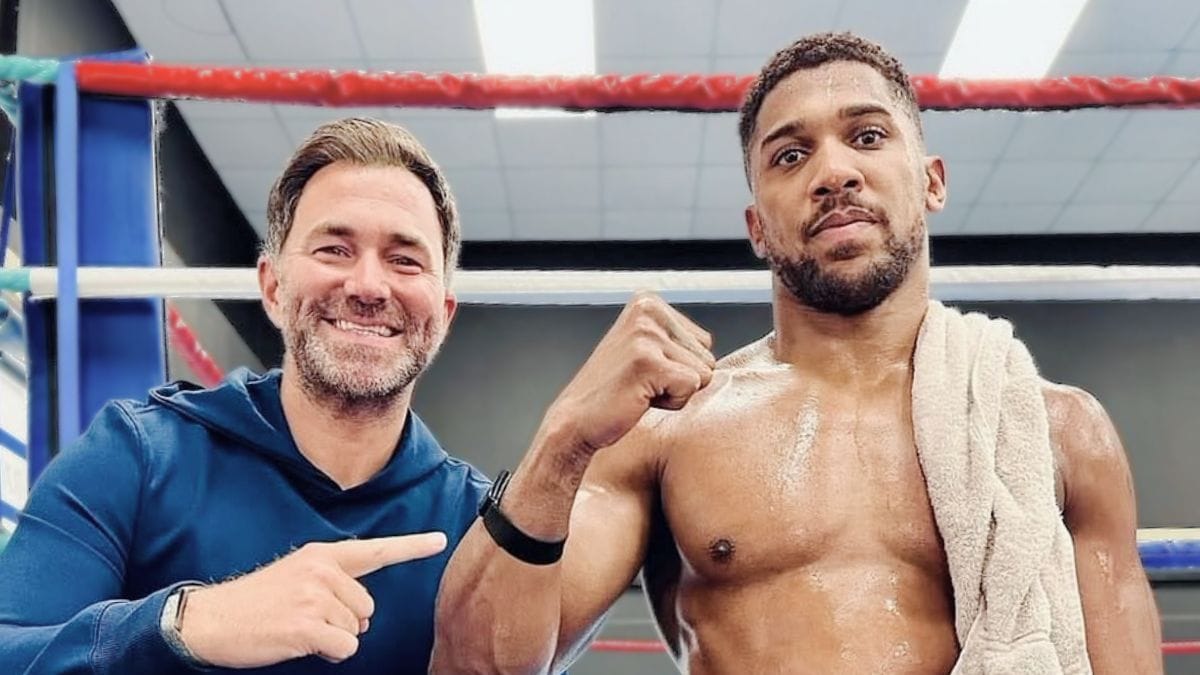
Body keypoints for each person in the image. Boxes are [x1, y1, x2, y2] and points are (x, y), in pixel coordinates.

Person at [432, 32, 1162, 674]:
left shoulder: (1058, 433)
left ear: (932, 181)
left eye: (869, 137)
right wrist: (563, 441)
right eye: (790, 154)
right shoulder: (669, 432)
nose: (835, 172)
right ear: (756, 225)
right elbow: (474, 665)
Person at [0, 117, 490, 673]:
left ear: (443, 314)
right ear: (273, 288)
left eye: (405, 260)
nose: (369, 287)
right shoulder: (138, 454)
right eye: (334, 249)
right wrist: (185, 624)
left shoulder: (479, 527)